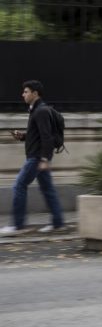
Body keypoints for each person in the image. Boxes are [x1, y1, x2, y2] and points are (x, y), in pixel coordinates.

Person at [1, 80, 66, 236]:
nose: (23, 94)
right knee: (47, 189)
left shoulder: (41, 111)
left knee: (18, 186)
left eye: (26, 91)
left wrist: (45, 159)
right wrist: (23, 136)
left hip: (36, 157)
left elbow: (46, 137)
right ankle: (58, 224)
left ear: (35, 94)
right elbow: (36, 136)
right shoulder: (35, 110)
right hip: (37, 155)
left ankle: (18, 226)